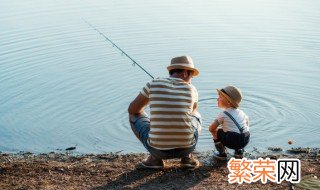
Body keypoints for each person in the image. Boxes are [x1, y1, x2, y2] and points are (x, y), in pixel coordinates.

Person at [128, 55, 202, 169]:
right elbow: (191, 112)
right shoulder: (192, 89)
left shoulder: (153, 84)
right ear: (185, 73)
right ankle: (187, 157)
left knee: (134, 115)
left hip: (158, 150)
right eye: (191, 75)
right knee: (196, 115)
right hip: (187, 147)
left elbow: (132, 110)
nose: (191, 79)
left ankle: (154, 159)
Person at [209, 86, 250, 160]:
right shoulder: (242, 112)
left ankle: (222, 154)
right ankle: (239, 152)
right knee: (238, 130)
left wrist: (217, 131)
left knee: (216, 131)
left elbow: (211, 128)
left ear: (228, 102)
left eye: (220, 97)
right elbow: (247, 122)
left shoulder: (223, 114)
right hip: (246, 139)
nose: (217, 99)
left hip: (232, 140)